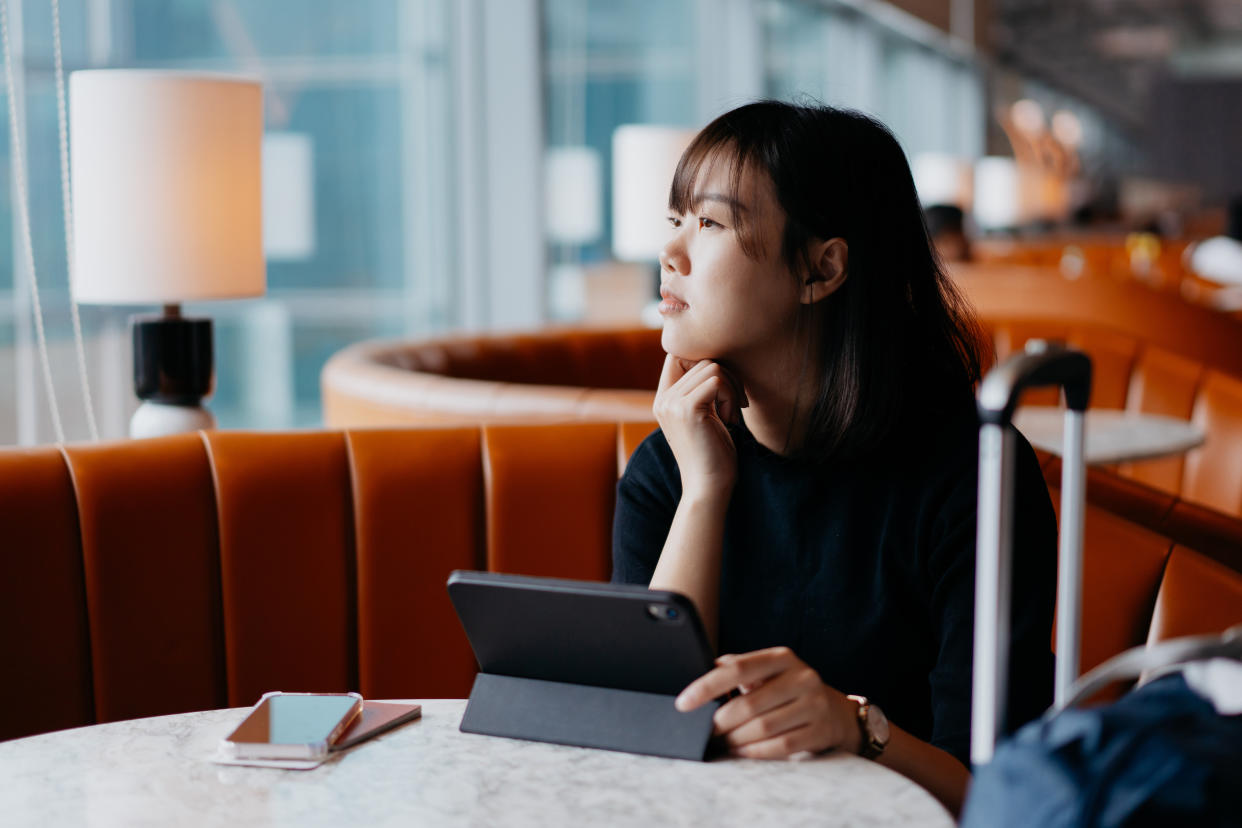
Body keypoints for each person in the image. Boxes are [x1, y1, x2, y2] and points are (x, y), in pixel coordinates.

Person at [611, 101, 1057, 817]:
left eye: (713, 223)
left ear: (823, 268)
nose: (672, 253)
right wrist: (704, 493)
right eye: (675, 220)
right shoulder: (670, 470)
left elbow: (1001, 798)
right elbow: (643, 737)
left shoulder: (974, 480)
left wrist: (854, 728)